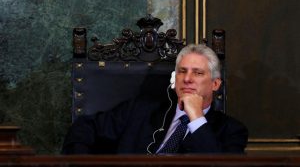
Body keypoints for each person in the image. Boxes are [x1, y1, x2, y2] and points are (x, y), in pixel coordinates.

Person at [62, 44, 248, 154]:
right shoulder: (139, 111)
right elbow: (83, 128)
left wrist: (197, 118)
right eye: (182, 71)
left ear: (215, 84)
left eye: (198, 73)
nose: (188, 79)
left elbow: (219, 166)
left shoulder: (232, 131)